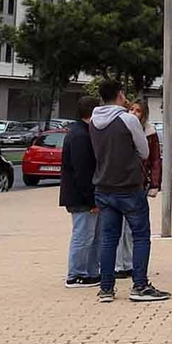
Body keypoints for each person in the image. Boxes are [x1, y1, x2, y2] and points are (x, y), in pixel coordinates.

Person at [91, 80, 170, 302]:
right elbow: (144, 152)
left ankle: (106, 289)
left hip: (103, 186)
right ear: (120, 94)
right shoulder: (128, 119)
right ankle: (140, 286)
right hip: (129, 187)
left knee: (109, 239)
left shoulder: (94, 120)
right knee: (141, 236)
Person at [112, 98, 162, 283]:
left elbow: (155, 159)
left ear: (144, 115)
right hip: (121, 182)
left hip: (138, 184)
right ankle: (119, 264)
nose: (133, 113)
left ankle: (131, 263)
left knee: (133, 228)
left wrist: (155, 184)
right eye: (131, 109)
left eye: (138, 110)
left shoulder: (150, 132)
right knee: (118, 227)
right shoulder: (121, 128)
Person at [59, 96, 102, 288]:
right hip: (81, 197)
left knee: (92, 236)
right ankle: (76, 274)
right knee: (83, 236)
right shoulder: (80, 136)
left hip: (84, 196)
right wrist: (92, 200)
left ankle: (91, 272)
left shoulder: (82, 132)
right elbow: (82, 171)